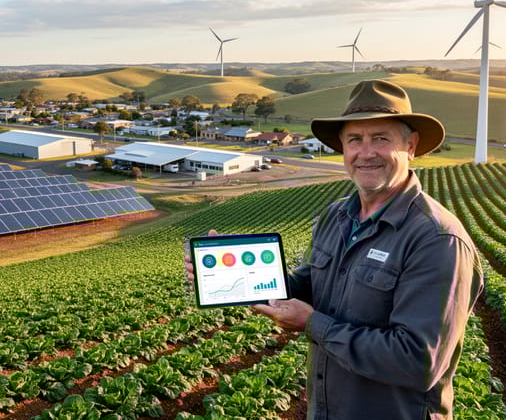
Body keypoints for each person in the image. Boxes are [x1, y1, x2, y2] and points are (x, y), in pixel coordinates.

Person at [187, 79, 483, 420]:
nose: (366, 152)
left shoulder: (436, 239)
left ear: (411, 146)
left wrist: (313, 324)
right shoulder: (336, 215)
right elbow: (309, 286)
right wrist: (233, 275)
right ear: (342, 148)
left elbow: (417, 361)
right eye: (354, 140)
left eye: (381, 139)